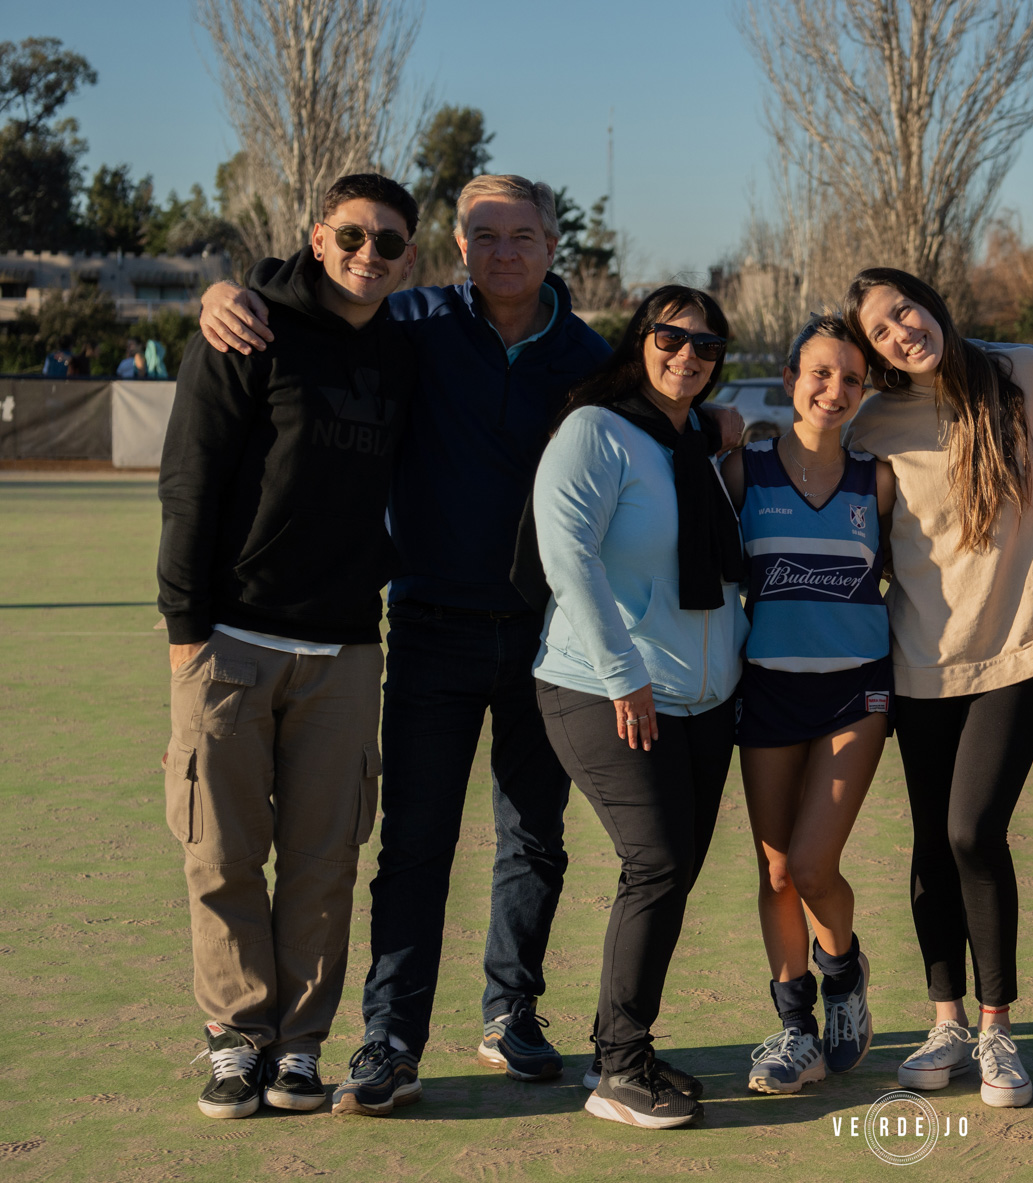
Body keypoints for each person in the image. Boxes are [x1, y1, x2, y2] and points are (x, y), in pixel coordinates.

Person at [198, 176, 734, 1115]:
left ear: (552, 245)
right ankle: (390, 1040)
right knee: (415, 843)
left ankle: (510, 1015)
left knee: (535, 837)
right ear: (454, 245)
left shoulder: (584, 356)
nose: (503, 254)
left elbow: (662, 407)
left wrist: (726, 424)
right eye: (484, 237)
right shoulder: (410, 322)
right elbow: (319, 301)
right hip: (430, 626)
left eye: (521, 236)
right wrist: (233, 288)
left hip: (543, 643)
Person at [156, 173, 419, 1120]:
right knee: (221, 854)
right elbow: (190, 475)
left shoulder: (406, 347)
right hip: (229, 638)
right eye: (352, 235)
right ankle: (237, 1039)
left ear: (410, 259)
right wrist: (186, 629)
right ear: (319, 236)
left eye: (389, 242)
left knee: (323, 857)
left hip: (345, 647)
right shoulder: (249, 325)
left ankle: (301, 1045)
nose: (368, 254)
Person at [843, 267, 1033, 1108]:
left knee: (973, 829)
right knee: (929, 842)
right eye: (880, 331)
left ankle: (997, 1029)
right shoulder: (875, 422)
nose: (901, 331)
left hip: (1020, 646)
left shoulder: (1029, 372)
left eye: (904, 310)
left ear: (930, 301)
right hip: (918, 661)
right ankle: (946, 1019)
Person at [530, 285, 746, 1129]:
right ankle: (618, 1069)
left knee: (676, 870)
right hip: (601, 685)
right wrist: (623, 674)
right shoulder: (597, 431)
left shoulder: (696, 438)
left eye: (706, 346)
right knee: (655, 862)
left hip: (703, 697)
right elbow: (567, 556)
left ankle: (625, 1044)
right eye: (671, 336)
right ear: (640, 339)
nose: (688, 354)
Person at [720, 316, 896, 1094]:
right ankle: (795, 1030)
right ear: (791, 378)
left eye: (852, 379)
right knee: (780, 871)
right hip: (766, 686)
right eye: (820, 373)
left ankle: (844, 974)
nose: (835, 390)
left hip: (855, 687)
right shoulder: (742, 469)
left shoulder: (876, 478)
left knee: (817, 864)